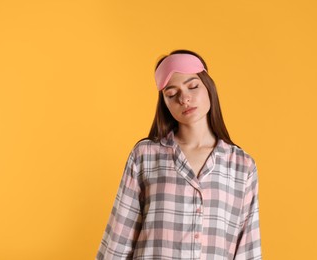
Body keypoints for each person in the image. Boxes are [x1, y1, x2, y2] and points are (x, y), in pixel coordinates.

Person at [96, 50, 262, 259]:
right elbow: (120, 233)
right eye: (172, 94)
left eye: (193, 86)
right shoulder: (145, 156)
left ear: (209, 87)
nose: (184, 98)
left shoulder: (241, 165)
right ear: (164, 103)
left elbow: (248, 248)